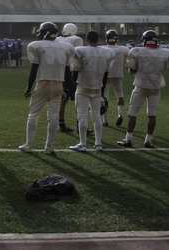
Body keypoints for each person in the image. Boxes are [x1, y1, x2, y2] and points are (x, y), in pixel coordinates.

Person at [19, 22, 74, 153]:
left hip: (43, 83)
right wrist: (70, 88)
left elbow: (34, 69)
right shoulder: (66, 47)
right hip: (59, 85)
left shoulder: (36, 46)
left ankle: (29, 144)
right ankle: (49, 147)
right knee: (54, 116)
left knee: (33, 115)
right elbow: (67, 71)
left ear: (45, 32)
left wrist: (28, 87)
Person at [117, 30, 169, 148]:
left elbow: (132, 69)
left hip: (141, 85)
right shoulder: (166, 52)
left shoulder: (136, 51)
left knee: (132, 113)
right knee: (152, 115)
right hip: (155, 86)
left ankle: (128, 139)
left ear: (144, 40)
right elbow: (166, 68)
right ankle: (148, 140)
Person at [68, 31, 114, 152]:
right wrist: (102, 91)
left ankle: (83, 143)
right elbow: (105, 73)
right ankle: (98, 143)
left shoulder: (80, 50)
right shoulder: (106, 52)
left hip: (83, 87)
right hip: (97, 88)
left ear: (87, 39)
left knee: (82, 116)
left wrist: (72, 86)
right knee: (97, 116)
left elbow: (75, 70)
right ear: (98, 39)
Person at [56, 22, 84, 133]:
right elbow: (78, 55)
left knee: (63, 98)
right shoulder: (77, 39)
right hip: (73, 71)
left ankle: (61, 123)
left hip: (60, 71)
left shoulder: (57, 39)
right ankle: (80, 125)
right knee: (80, 98)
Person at [102, 29, 129, 127]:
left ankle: (104, 120)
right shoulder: (123, 49)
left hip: (106, 74)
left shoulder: (103, 48)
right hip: (118, 75)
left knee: (105, 96)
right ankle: (120, 114)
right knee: (120, 95)